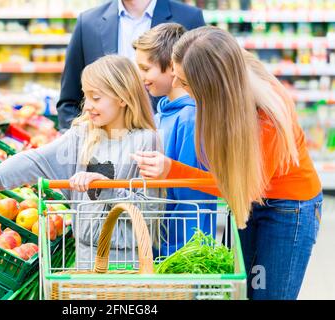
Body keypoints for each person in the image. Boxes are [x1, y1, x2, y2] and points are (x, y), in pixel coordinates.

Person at [132, 26, 323, 300]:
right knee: (244, 291)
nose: (177, 86)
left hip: (288, 209)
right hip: (253, 201)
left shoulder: (265, 118)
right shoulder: (232, 76)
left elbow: (240, 187)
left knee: (268, 295)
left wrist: (172, 170)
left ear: (210, 84)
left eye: (185, 83)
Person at [0, 55, 161, 267]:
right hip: (85, 260)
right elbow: (34, 161)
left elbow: (152, 209)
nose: (87, 105)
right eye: (86, 95)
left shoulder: (145, 141)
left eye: (96, 98)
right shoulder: (82, 135)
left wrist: (105, 187)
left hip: (128, 262)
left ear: (122, 98)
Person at [132, 23, 216, 257]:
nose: (141, 77)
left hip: (184, 248)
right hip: (162, 240)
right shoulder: (163, 113)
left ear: (172, 66)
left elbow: (193, 194)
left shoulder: (189, 117)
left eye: (146, 68)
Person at [57, 0, 206, 130]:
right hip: (105, 146)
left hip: (164, 147)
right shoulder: (88, 22)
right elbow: (69, 99)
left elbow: (205, 88)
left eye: (146, 69)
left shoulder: (189, 18)